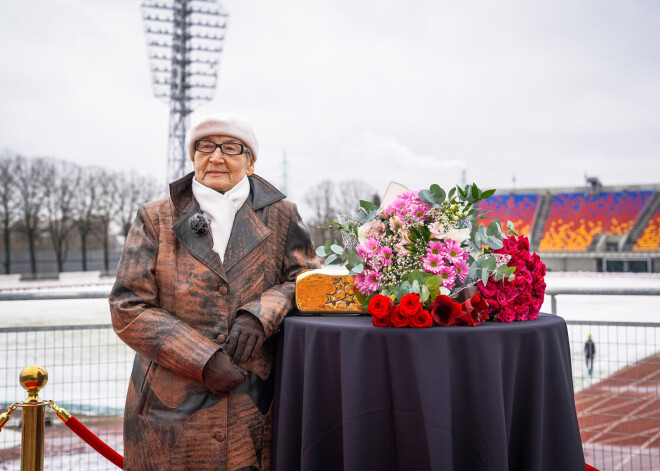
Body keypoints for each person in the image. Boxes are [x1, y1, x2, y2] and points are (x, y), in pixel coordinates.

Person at [109, 112, 320, 471]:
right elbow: (128, 306)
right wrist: (201, 357)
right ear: (193, 158)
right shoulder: (155, 216)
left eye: (230, 148)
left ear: (250, 162)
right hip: (167, 411)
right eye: (204, 147)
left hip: (250, 405)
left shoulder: (283, 215)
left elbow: (306, 281)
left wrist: (261, 314)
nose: (216, 157)